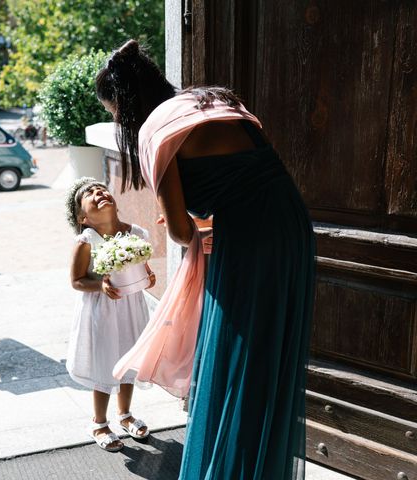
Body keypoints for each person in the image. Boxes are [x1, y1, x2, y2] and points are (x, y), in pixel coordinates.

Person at [98, 40, 315, 479]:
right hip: (293, 227)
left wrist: (186, 217)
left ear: (125, 103)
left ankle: (231, 467)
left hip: (249, 240)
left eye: (114, 113)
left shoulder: (155, 130)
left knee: (236, 355)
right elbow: (252, 175)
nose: (117, 121)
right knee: (269, 352)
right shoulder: (212, 100)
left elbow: (180, 231)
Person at [65, 176, 155, 452]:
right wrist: (100, 285)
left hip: (131, 307)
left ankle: (125, 414)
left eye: (101, 189)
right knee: (105, 361)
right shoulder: (87, 241)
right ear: (83, 217)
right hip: (101, 311)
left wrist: (148, 276)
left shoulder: (136, 234)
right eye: (89, 194)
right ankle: (99, 421)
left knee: (129, 357)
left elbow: (143, 268)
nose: (98, 192)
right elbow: (77, 280)